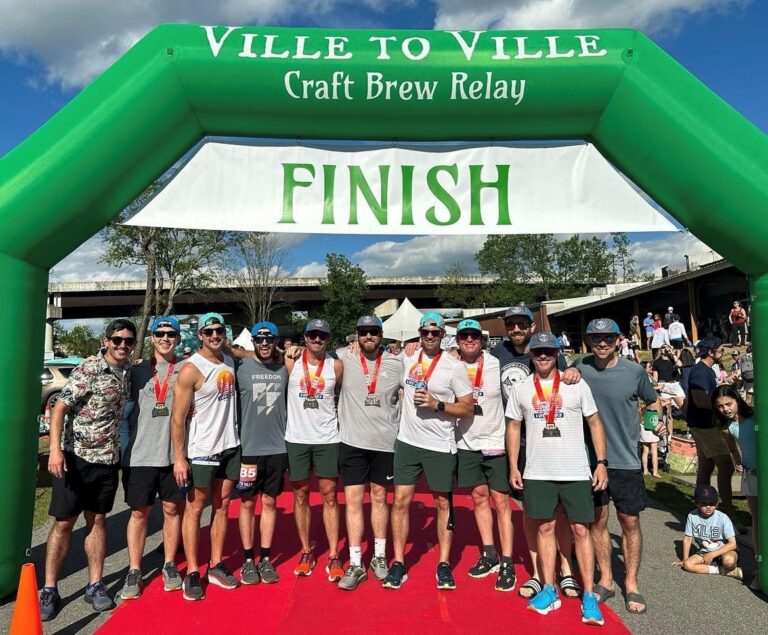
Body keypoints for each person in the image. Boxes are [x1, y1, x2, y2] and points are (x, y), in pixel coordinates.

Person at [506, 331, 608, 625]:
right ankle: (549, 589)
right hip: (538, 471)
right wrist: (513, 466)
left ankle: (589, 595)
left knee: (581, 531)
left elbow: (594, 422)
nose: (543, 356)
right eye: (538, 352)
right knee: (545, 528)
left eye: (549, 351)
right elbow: (513, 427)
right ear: (531, 355)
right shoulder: (521, 388)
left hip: (575, 469)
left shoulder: (576, 384)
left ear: (557, 354)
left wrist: (601, 463)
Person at [40, 319, 136, 621]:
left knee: (98, 521)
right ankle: (50, 588)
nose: (122, 345)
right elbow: (59, 407)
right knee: (64, 523)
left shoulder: (127, 372)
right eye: (117, 340)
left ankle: (95, 585)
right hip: (76, 458)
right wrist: (55, 451)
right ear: (106, 341)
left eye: (128, 341)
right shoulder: (89, 369)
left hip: (106, 460)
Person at [490, 304, 583, 600]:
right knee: (530, 511)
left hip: (549, 441)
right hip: (517, 441)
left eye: (522, 324)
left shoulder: (547, 350)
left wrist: (574, 370)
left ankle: (565, 570)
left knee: (559, 511)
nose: (516, 329)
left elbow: (568, 374)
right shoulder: (498, 353)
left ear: (532, 326)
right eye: (511, 325)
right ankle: (537, 572)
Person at [573, 318, 662, 615]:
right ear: (588, 340)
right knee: (597, 521)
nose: (602, 343)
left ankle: (631, 583)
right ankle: (606, 580)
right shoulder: (579, 367)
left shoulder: (634, 371)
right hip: (590, 461)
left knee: (630, 522)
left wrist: (653, 424)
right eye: (596, 338)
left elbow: (652, 401)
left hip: (626, 460)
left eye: (608, 338)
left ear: (617, 339)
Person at [383, 313, 474, 590]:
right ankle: (399, 562)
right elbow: (380, 360)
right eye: (425, 332)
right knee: (401, 501)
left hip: (439, 445)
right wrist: (352, 346)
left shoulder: (454, 367)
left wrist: (438, 405)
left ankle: (444, 564)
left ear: (443, 335)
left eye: (435, 332)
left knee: (443, 503)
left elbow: (468, 408)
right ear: (419, 334)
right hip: (408, 442)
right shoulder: (408, 357)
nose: (430, 336)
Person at [172, 312, 241, 601]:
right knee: (195, 508)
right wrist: (180, 458)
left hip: (230, 445)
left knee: (223, 505)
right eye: (209, 331)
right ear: (200, 334)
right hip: (202, 449)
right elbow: (177, 418)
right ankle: (192, 571)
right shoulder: (191, 368)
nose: (214, 335)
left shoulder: (229, 359)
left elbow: (249, 353)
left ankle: (215, 564)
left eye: (219, 330)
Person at [119, 317, 186, 600]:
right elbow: (110, 367)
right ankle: (134, 570)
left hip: (173, 455)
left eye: (171, 334)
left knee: (171, 510)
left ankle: (169, 564)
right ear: (153, 338)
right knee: (139, 513)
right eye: (160, 333)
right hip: (140, 455)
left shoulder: (186, 369)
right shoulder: (135, 371)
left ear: (178, 338)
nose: (165, 338)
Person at [335, 315, 403, 590]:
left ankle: (379, 555)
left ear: (381, 334)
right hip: (352, 442)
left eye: (373, 331)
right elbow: (311, 354)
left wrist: (412, 347)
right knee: (353, 501)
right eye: (363, 332)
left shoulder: (397, 362)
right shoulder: (343, 357)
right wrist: (291, 349)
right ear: (356, 335)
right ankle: (355, 562)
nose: (368, 336)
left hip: (385, 443)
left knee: (379, 498)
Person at [454, 319, 516, 592]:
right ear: (457, 340)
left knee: (501, 502)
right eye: (464, 336)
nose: (469, 340)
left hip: (495, 441)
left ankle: (507, 561)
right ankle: (489, 553)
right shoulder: (451, 365)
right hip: (467, 443)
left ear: (482, 339)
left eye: (474, 336)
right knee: (479, 498)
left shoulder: (495, 363)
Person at [284, 318, 344, 582]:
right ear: (305, 337)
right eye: (312, 335)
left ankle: (333, 554)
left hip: (327, 438)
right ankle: (306, 551)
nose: (317, 339)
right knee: (301, 495)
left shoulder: (336, 366)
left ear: (328, 339)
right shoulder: (291, 360)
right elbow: (255, 354)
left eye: (322, 336)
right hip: (297, 438)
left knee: (330, 495)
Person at [235, 321, 289, 585]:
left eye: (269, 339)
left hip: (277, 448)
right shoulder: (240, 368)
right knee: (247, 503)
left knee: (269, 502)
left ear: (276, 342)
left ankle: (265, 557)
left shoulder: (285, 367)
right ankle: (248, 559)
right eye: (259, 339)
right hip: (248, 449)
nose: (264, 343)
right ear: (253, 341)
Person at [685, 337, 740, 526]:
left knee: (706, 466)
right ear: (711, 352)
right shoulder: (700, 371)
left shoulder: (706, 370)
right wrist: (723, 408)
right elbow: (700, 400)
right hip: (704, 426)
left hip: (702, 425)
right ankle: (729, 514)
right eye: (720, 349)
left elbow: (709, 395)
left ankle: (701, 507)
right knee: (726, 466)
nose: (723, 352)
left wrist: (726, 386)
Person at [713, 385, 760, 591]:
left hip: (763, 471)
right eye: (720, 406)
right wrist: (738, 462)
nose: (725, 409)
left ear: (737, 400)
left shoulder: (755, 416)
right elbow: (733, 448)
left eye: (728, 404)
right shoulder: (726, 427)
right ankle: (760, 567)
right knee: (756, 520)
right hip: (750, 475)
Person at [672, 484, 742, 581]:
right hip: (705, 551)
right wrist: (684, 559)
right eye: (704, 503)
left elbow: (732, 544)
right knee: (687, 565)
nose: (708, 506)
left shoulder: (723, 518)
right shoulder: (692, 516)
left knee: (729, 561)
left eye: (712, 503)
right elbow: (687, 539)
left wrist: (712, 555)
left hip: (725, 550)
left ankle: (727, 566)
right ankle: (721, 570)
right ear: (697, 503)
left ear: (717, 503)